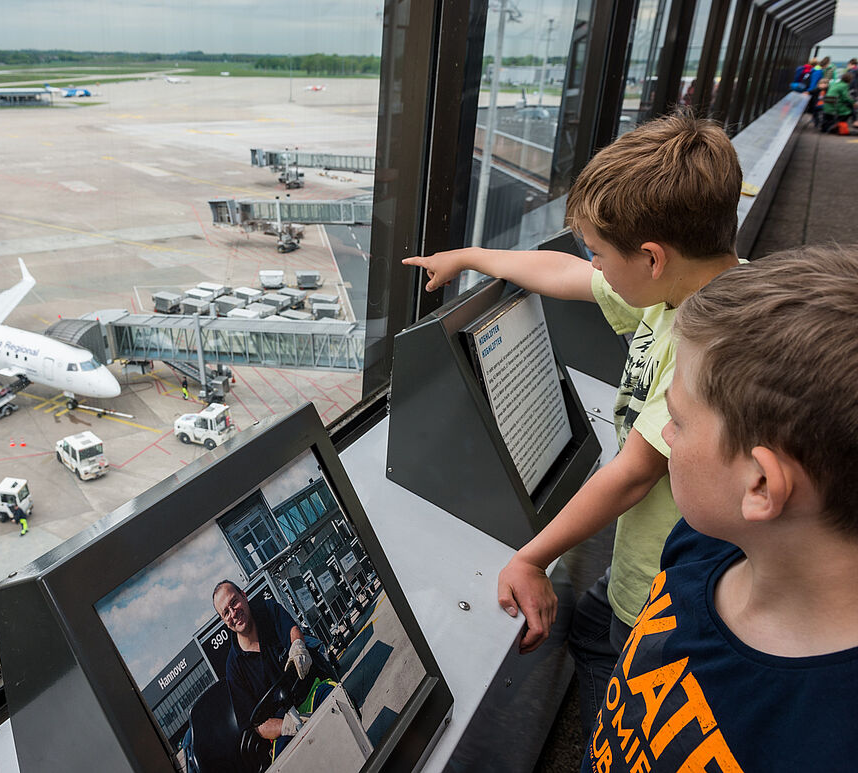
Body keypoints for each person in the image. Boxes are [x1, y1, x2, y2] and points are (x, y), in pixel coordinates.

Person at [403, 111, 743, 736]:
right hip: (652, 558)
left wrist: (532, 559)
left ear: (651, 257)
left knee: (621, 673)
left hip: (660, 591)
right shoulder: (684, 291)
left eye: (600, 252)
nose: (594, 265)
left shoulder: (709, 345)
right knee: (591, 631)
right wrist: (473, 257)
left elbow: (635, 475)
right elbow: (569, 277)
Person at [582, 246, 858, 772]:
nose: (663, 431)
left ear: (759, 485)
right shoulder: (700, 541)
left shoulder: (827, 743)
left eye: (679, 421)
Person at [212, 581, 333, 763]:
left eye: (234, 602)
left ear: (244, 595)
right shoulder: (233, 667)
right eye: (226, 612)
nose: (233, 613)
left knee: (339, 704)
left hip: (311, 693)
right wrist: (288, 725)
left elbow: (292, 630)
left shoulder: (269, 611)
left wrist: (298, 646)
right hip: (283, 725)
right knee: (288, 763)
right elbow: (257, 725)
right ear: (224, 621)